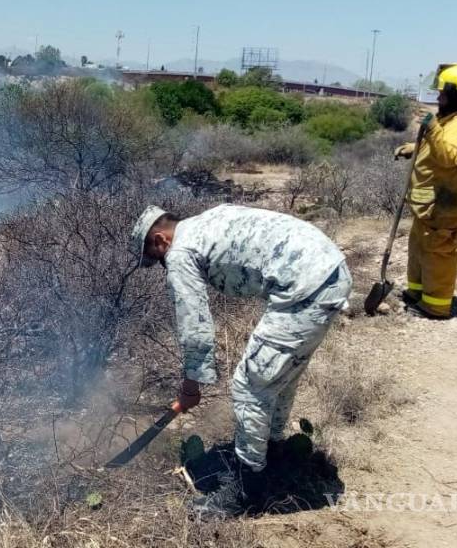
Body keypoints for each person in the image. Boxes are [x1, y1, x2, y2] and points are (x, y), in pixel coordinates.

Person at [130, 204, 352, 518]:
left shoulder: (179, 251)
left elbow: (194, 327)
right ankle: (271, 451)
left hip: (304, 287)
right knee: (278, 378)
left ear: (160, 241)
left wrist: (190, 385)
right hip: (330, 269)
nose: (163, 266)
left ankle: (245, 492)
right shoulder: (207, 219)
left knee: (250, 385)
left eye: (157, 260)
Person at [393, 63, 457, 320]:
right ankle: (417, 293)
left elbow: (449, 157)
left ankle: (436, 305)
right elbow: (440, 146)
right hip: (431, 202)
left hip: (445, 203)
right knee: (420, 248)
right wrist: (416, 147)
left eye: (443, 93)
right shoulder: (453, 119)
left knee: (438, 253)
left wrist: (431, 127)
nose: (439, 97)